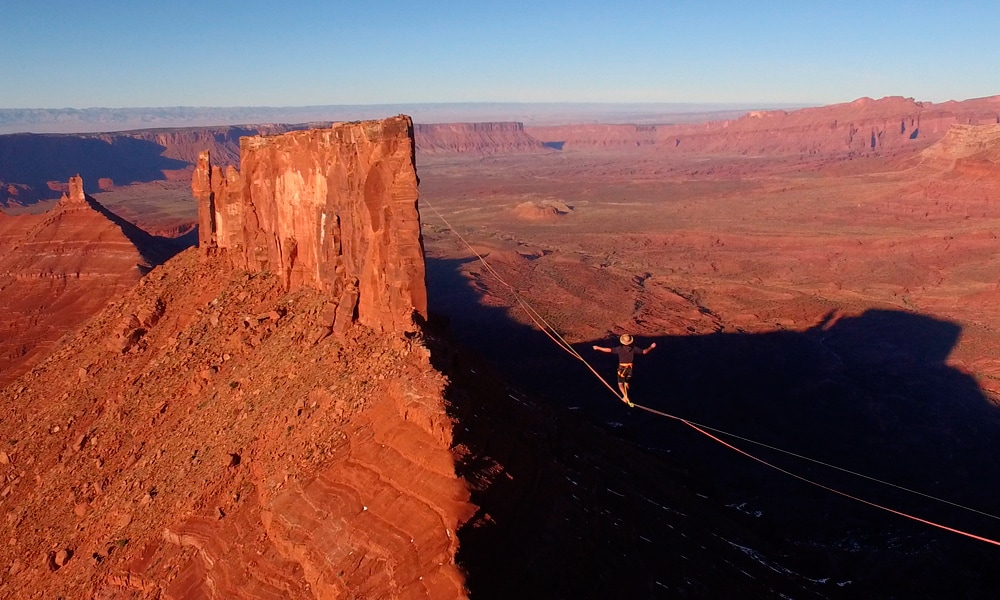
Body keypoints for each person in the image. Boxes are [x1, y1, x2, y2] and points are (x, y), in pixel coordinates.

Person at [593, 334, 656, 407]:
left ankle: (625, 398)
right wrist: (651, 346)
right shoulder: (634, 348)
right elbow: (644, 352)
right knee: (626, 383)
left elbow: (608, 350)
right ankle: (625, 396)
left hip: (622, 368)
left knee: (620, 384)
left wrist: (597, 348)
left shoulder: (619, 349)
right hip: (630, 368)